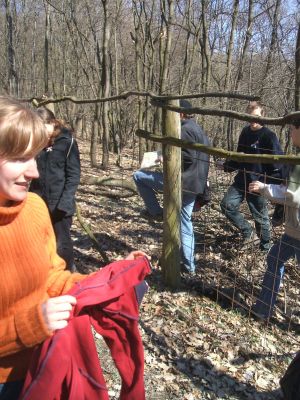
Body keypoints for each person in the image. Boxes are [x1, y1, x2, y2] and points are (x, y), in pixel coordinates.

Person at [0, 96, 148, 400]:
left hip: (45, 366)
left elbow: (54, 278)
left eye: (35, 157)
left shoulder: (35, 208)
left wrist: (108, 281)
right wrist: (31, 324)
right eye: (19, 158)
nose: (34, 172)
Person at [133, 99, 210, 274]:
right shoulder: (200, 130)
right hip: (194, 184)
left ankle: (156, 212)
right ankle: (189, 265)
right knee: (185, 223)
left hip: (181, 183)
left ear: (180, 114)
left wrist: (165, 157)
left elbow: (188, 158)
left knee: (138, 176)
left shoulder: (184, 130)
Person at [249, 119, 300, 320]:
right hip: (293, 231)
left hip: (298, 229)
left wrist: (264, 188)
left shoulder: (298, 162)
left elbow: (293, 196)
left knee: (274, 258)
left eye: (293, 128)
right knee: (274, 258)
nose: (290, 132)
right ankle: (263, 309)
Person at [219, 101, 284, 251]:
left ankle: (265, 247)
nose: (253, 120)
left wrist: (271, 186)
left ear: (263, 116)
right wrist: (226, 165)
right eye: (249, 116)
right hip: (242, 180)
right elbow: (239, 157)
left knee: (260, 217)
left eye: (256, 116)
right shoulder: (245, 132)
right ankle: (248, 233)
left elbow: (277, 165)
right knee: (227, 205)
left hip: (258, 183)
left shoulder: (269, 136)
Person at [30, 107, 80, 272]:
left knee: (62, 244)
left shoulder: (68, 142)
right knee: (39, 242)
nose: (39, 131)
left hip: (60, 205)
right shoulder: (37, 142)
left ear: (52, 123)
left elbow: (73, 176)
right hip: (38, 203)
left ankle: (68, 274)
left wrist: (64, 204)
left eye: (42, 127)